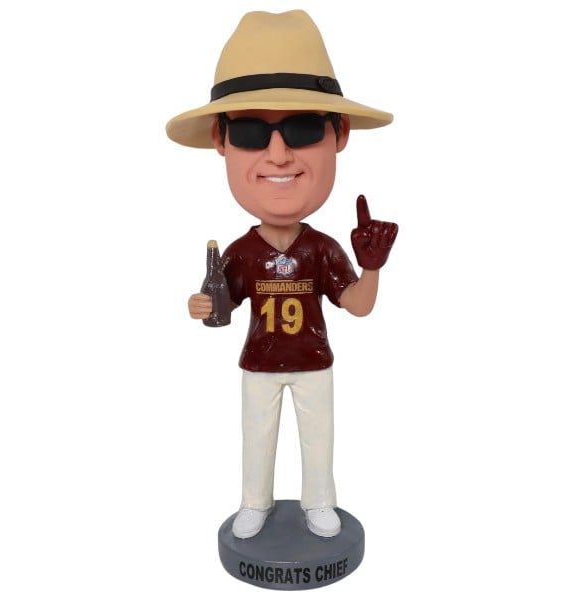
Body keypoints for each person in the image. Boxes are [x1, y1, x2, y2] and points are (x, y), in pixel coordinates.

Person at [166, 10, 398, 540]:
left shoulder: (320, 248)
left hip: (313, 361)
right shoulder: (242, 251)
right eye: (250, 131)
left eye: (302, 127)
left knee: (319, 438)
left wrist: (371, 266)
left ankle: (319, 500)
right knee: (257, 436)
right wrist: (200, 304)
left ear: (338, 133)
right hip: (259, 363)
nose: (278, 153)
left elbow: (359, 305)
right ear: (221, 139)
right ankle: (255, 502)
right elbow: (220, 307)